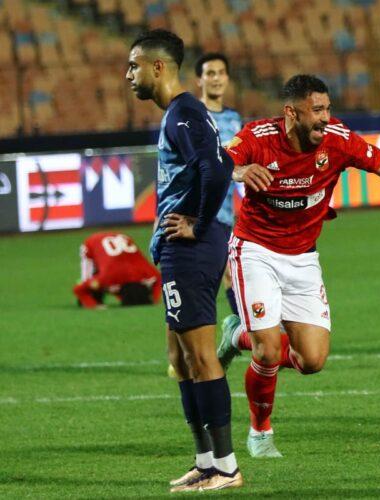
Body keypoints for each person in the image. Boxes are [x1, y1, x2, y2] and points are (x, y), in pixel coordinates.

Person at [215, 74, 380, 456]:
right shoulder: (259, 137)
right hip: (255, 251)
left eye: (328, 109)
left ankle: (237, 334)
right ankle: (260, 432)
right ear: (291, 113)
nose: (326, 118)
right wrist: (239, 171)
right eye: (317, 110)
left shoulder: (339, 141)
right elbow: (218, 161)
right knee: (270, 352)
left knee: (312, 360)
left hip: (303, 257)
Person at [126, 29, 242, 491]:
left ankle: (227, 466)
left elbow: (218, 167)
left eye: (134, 65)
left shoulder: (184, 113)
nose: (128, 74)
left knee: (199, 355)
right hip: (182, 247)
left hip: (192, 246)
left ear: (158, 67)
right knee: (180, 357)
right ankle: (206, 460)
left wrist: (196, 221)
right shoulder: (181, 112)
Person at [195, 52, 242, 316]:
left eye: (220, 73)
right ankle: (243, 331)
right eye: (210, 73)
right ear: (199, 80)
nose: (216, 79)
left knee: (227, 274)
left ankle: (240, 333)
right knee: (214, 277)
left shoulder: (234, 119)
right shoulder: (192, 115)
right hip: (198, 212)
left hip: (225, 213)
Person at [73, 231, 161, 308]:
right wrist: (93, 305)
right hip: (91, 244)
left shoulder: (148, 273)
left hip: (122, 239)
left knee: (98, 285)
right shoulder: (105, 278)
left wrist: (155, 300)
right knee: (89, 286)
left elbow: (159, 279)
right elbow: (78, 289)